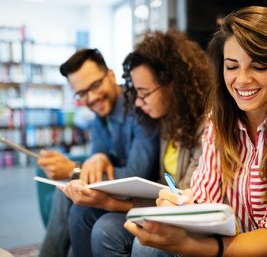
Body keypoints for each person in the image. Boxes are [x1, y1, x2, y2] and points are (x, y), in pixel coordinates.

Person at [124, 6, 267, 257]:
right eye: (232, 66)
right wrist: (181, 207)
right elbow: (204, 196)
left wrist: (196, 246)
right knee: (147, 247)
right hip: (236, 242)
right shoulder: (219, 120)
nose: (242, 80)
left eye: (259, 67)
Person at [61, 29, 214, 257]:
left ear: (173, 83)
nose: (138, 103)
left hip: (184, 212)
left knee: (118, 235)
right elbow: (164, 184)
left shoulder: (206, 126)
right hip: (162, 203)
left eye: (144, 94)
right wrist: (98, 159)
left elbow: (183, 201)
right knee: (84, 213)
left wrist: (109, 202)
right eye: (136, 93)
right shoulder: (166, 120)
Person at [38, 48, 159, 257]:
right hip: (122, 192)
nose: (92, 97)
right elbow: (99, 157)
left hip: (145, 194)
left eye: (95, 85)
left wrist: (75, 168)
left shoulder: (140, 107)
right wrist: (97, 159)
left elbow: (137, 175)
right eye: (82, 93)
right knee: (68, 192)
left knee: (78, 207)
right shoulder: (100, 117)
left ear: (111, 75)